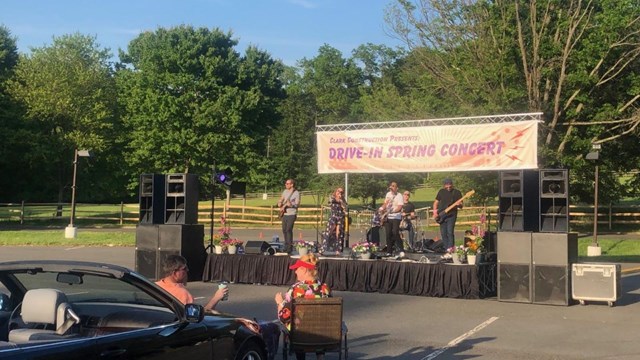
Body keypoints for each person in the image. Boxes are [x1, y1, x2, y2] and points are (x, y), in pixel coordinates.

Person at [275, 253, 331, 360]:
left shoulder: (295, 289)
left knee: (293, 322)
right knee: (319, 321)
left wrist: (280, 302)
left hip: (301, 336)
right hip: (323, 335)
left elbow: (283, 317)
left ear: (304, 270)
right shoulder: (325, 289)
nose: (295, 272)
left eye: (297, 269)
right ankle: (320, 356)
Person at [155, 254, 227, 310]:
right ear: (174, 273)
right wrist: (216, 298)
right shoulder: (183, 294)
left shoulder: (155, 286)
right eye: (184, 269)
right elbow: (197, 317)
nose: (188, 270)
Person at [432, 178, 463, 250]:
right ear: (444, 185)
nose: (448, 187)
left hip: (452, 215)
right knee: (443, 233)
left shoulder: (457, 192)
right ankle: (446, 248)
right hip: (442, 215)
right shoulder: (441, 192)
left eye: (450, 185)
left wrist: (459, 205)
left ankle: (451, 249)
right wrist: (435, 212)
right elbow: (435, 203)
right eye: (447, 185)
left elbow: (461, 206)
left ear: (452, 185)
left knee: (450, 232)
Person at [379, 181, 403, 255]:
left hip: (396, 217)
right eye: (391, 186)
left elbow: (400, 207)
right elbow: (386, 203)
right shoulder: (388, 194)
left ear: (396, 188)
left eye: (393, 186)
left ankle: (401, 249)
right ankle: (389, 251)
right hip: (388, 217)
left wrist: (393, 211)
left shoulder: (399, 196)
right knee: (388, 233)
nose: (391, 187)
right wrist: (381, 208)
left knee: (395, 232)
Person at [321, 187, 347, 255]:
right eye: (338, 191)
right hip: (333, 217)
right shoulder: (332, 198)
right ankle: (323, 249)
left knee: (339, 234)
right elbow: (330, 202)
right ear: (336, 191)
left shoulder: (343, 200)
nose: (339, 193)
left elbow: (345, 207)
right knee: (329, 233)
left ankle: (338, 250)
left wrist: (342, 202)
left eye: (341, 192)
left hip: (340, 217)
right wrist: (338, 200)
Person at [278, 178, 300, 254]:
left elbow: (297, 204)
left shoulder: (296, 193)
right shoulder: (285, 191)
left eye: (287, 184)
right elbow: (281, 198)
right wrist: (279, 203)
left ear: (292, 184)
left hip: (291, 214)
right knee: (284, 230)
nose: (286, 185)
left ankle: (289, 248)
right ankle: (286, 246)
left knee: (288, 230)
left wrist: (291, 205)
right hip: (285, 214)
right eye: (285, 183)